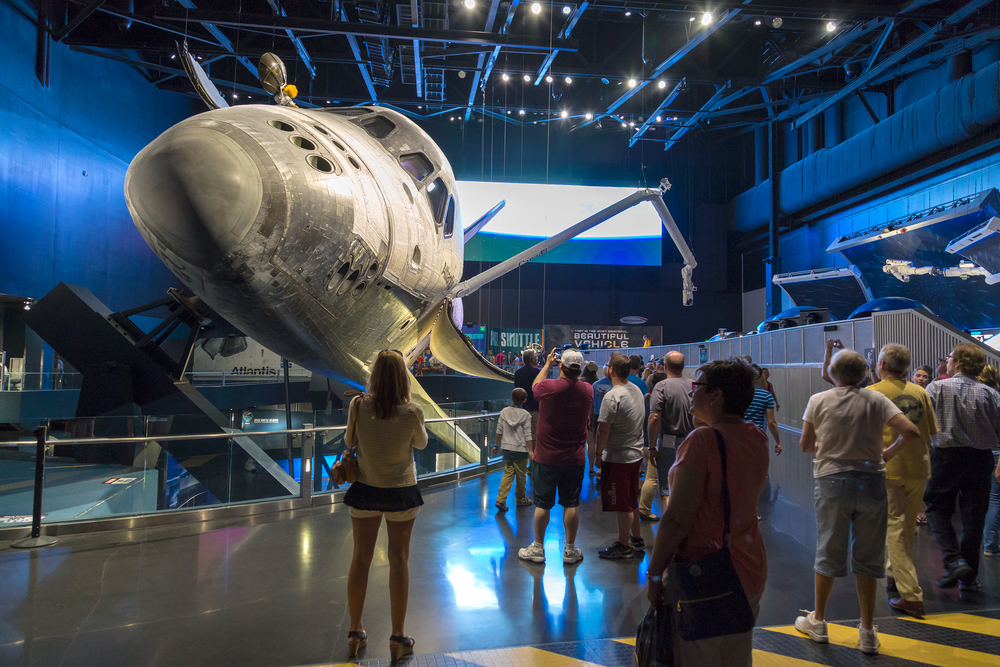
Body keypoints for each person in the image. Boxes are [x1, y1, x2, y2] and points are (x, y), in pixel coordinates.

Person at [795, 349, 919, 656]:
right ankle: (866, 631)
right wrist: (887, 453)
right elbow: (911, 431)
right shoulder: (876, 399)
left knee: (828, 548)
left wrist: (829, 446)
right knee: (869, 554)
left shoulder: (819, 400)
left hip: (832, 481)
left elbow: (807, 445)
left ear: (834, 373)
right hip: (872, 481)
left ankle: (820, 621)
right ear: (865, 373)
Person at [646, 358, 769, 666]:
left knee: (698, 656)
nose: (691, 392)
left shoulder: (701, 441)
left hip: (706, 572)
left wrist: (653, 572)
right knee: (736, 657)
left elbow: (676, 518)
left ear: (716, 395)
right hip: (749, 565)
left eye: (697, 386)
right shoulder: (756, 436)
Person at [343, 350, 429, 661]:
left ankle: (355, 631)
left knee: (361, 559)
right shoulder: (412, 412)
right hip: (401, 491)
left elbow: (349, 441)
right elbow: (421, 444)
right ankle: (397, 637)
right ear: (404, 377)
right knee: (399, 559)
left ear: (375, 376)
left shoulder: (358, 405)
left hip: (365, 488)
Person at [867, 345, 937, 618]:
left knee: (893, 528)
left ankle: (911, 595)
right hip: (918, 466)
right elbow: (929, 431)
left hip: (888, 467)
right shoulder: (920, 391)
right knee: (906, 527)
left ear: (881, 364)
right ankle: (893, 574)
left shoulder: (873, 394)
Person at [924, 344, 1000, 591]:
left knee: (935, 507)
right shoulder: (991, 394)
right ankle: (970, 578)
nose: (946, 360)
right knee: (974, 518)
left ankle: (954, 559)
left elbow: (924, 426)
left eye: (949, 357)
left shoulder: (936, 388)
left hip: (946, 457)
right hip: (981, 459)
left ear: (957, 362)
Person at [518, 348, 593, 565]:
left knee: (542, 504)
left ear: (561, 365)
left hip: (547, 457)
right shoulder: (587, 389)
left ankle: (538, 549)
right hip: (575, 457)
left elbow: (534, 387)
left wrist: (548, 364)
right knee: (571, 503)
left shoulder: (549, 387)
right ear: (580, 368)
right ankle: (570, 550)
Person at [594, 354, 646, 558]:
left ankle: (623, 546)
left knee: (622, 503)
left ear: (612, 371)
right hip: (635, 453)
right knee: (631, 497)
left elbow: (603, 430)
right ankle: (636, 538)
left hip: (619, 457)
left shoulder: (612, 396)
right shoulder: (636, 391)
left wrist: (598, 454)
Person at [647, 352, 694, 518]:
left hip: (668, 442)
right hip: (693, 442)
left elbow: (654, 417)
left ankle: (669, 535)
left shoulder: (661, 387)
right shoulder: (695, 386)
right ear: (683, 366)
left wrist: (652, 446)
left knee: (667, 489)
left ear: (665, 366)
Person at [493, 388, 534, 512]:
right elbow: (528, 434)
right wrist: (531, 451)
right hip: (521, 450)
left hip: (507, 448)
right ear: (525, 400)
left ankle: (500, 499)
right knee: (521, 476)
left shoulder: (504, 412)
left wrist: (496, 445)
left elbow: (499, 430)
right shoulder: (526, 415)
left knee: (508, 473)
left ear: (511, 398)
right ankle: (521, 500)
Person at [638, 371, 667, 521]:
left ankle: (644, 509)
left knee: (651, 478)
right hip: (654, 443)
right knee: (654, 479)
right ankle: (644, 510)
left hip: (643, 441)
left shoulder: (644, 398)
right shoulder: (663, 400)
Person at [981, 365, 1000, 559]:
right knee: (995, 498)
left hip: (978, 450)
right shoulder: (995, 395)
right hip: (996, 451)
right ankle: (991, 544)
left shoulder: (976, 394)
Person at [744, 365, 783, 455]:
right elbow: (771, 422)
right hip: (757, 438)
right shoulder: (766, 395)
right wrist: (778, 442)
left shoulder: (737, 394)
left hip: (738, 437)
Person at [591, 362, 614, 481]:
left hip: (597, 415)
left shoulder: (595, 384)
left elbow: (592, 403)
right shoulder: (615, 385)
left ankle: (599, 469)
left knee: (598, 441)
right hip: (610, 416)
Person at [514, 349, 541, 437]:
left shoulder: (518, 373)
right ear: (532, 359)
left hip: (521, 408)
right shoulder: (537, 372)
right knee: (534, 434)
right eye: (536, 357)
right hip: (534, 408)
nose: (537, 359)